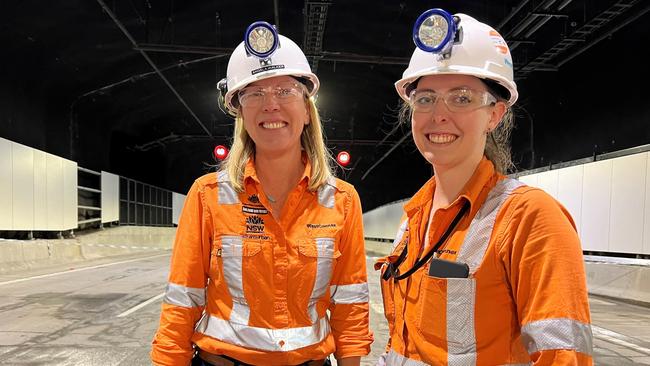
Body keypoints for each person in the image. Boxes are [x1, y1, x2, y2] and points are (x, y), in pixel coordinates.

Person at [375, 8, 593, 365]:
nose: (438, 114)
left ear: (495, 114)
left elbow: (563, 357)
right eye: (425, 98)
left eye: (461, 98)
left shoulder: (531, 219)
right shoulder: (413, 219)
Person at [151, 21, 373, 366]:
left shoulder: (342, 200)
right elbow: (182, 300)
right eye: (254, 93)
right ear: (240, 111)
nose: (271, 105)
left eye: (285, 91)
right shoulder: (208, 195)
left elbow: (350, 306)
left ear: (306, 109)